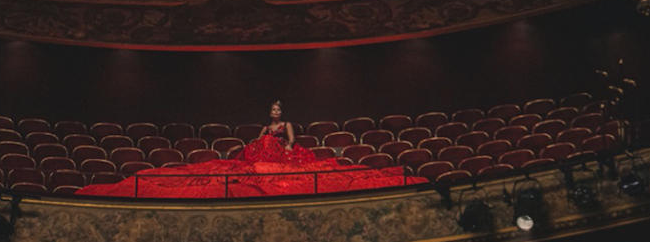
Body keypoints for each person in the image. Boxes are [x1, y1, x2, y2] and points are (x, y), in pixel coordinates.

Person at [78, 102, 425, 199]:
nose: (275, 115)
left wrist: (279, 143)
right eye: (273, 113)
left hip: (283, 156)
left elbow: (290, 141)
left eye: (277, 112)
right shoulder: (265, 125)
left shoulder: (286, 125)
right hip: (262, 155)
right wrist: (263, 140)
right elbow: (259, 137)